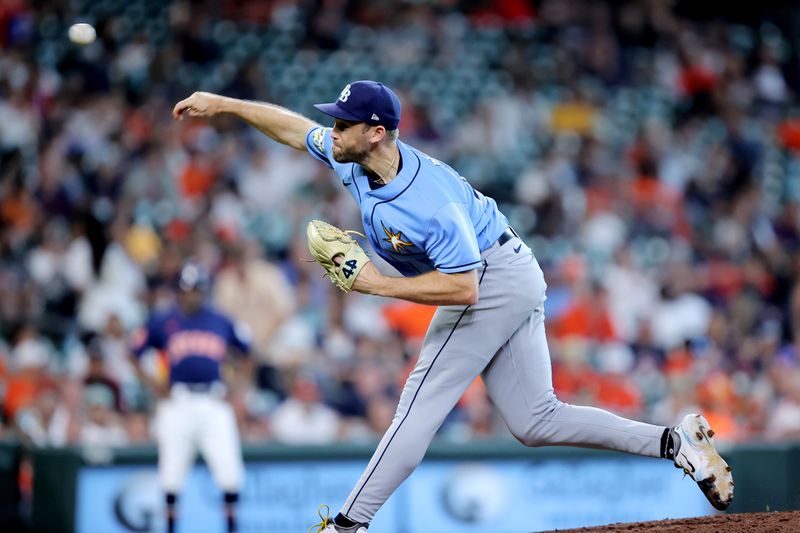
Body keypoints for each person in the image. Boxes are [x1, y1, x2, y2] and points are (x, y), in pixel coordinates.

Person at [173, 81, 734, 532]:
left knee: (418, 404)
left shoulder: (428, 201)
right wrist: (224, 104)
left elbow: (465, 288)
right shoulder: (355, 157)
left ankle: (348, 525)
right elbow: (297, 132)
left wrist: (373, 284)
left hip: (490, 278)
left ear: (376, 133)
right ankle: (674, 442)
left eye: (343, 124)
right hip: (510, 271)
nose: (333, 131)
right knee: (536, 420)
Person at [130, 262, 251, 533]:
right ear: (178, 291)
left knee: (230, 475)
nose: (191, 295)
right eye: (186, 290)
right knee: (170, 478)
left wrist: (237, 384)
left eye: (196, 289)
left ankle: (231, 528)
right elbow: (134, 351)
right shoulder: (164, 320)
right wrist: (154, 385)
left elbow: (248, 349)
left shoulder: (220, 320)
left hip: (213, 400)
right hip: (178, 402)